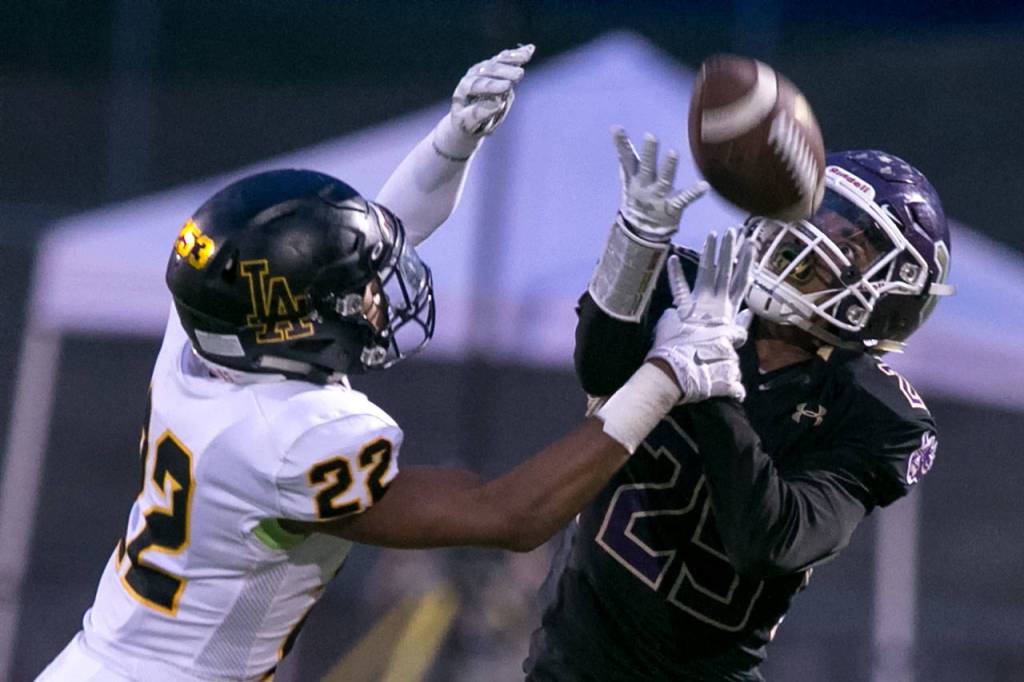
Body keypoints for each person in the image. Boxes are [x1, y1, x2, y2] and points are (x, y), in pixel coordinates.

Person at [36, 48, 750, 682]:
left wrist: (452, 144)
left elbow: (366, 237)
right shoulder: (294, 434)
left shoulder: (204, 339)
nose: (377, 302)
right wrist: (666, 373)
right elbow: (510, 516)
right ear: (291, 322)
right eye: (357, 296)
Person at [525, 131, 954, 681]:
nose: (812, 239)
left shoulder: (877, 414)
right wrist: (635, 244)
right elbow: (600, 367)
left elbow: (772, 542)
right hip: (571, 664)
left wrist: (712, 381)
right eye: (819, 216)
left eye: (849, 244)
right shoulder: (690, 288)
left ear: (894, 292)